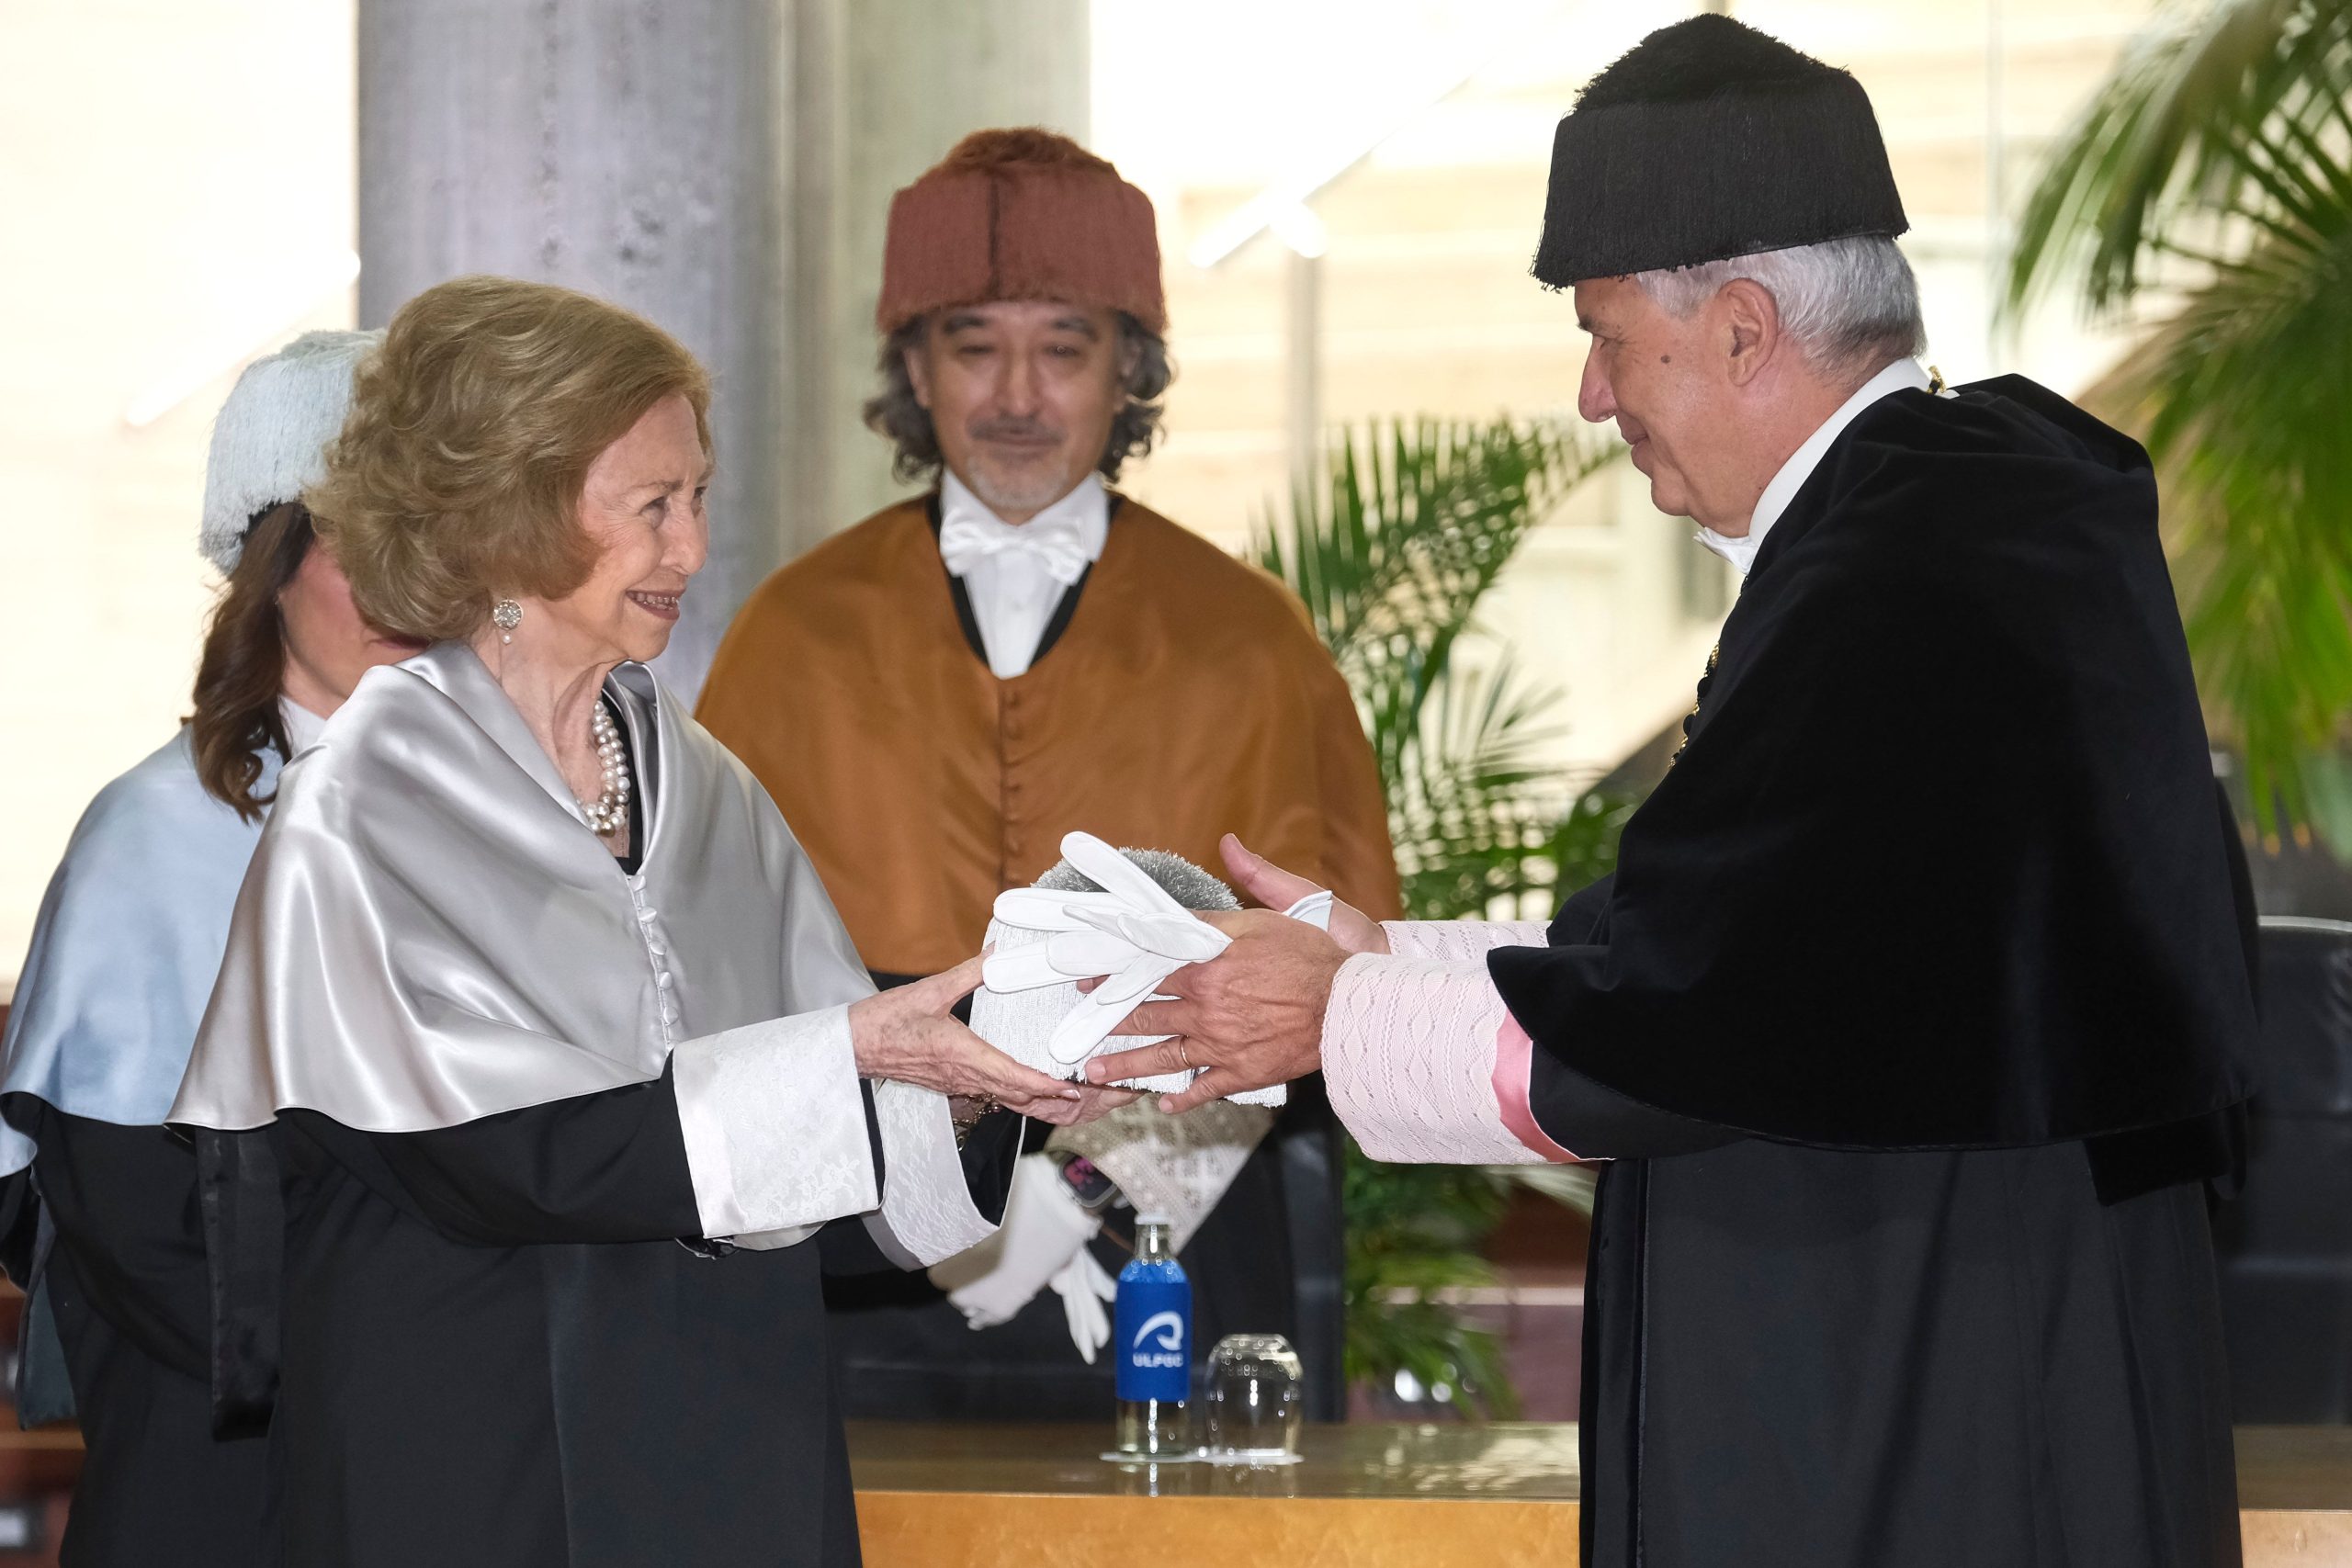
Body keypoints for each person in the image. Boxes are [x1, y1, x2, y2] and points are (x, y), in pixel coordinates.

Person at [1088, 18, 2256, 1568]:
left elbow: (1700, 1034)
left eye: (1607, 335)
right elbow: (1739, 959)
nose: (1590, 397)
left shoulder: (1897, 579)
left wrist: (1333, 1016)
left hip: (1919, 1374)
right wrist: (1377, 963)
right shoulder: (1953, 523)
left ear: (1744, 328)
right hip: (1962, 1322)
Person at [165, 276, 1106, 1568]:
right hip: (476, 1460)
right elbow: (503, 1158)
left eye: (699, 497)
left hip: (733, 1439)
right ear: (510, 516)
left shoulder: (703, 781)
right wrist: (850, 1060)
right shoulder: (366, 808)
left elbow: (816, 1152)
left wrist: (967, 1082)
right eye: (652, 506)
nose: (694, 550)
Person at [696, 128, 1401, 1416]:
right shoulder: (790, 633)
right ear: (913, 366)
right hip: (858, 1241)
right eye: (973, 344)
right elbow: (718, 989)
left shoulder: (1252, 639)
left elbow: (1341, 987)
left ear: (1129, 370)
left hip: (1176, 1245)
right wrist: (935, 1183)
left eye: (1063, 347)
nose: (1017, 394)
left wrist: (1089, 1195)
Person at [0, 330, 413, 1567]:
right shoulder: (163, 828)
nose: (412, 585)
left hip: (452, 1455)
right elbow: (130, 1215)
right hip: (229, 1459)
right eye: (367, 540)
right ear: (272, 561)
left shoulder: (521, 815)